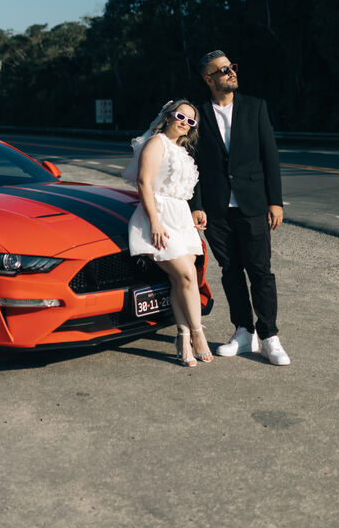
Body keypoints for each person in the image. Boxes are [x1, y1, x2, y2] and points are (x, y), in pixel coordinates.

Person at [190, 51, 291, 366]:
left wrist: (275, 200)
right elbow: (190, 163)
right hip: (217, 209)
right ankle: (244, 332)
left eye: (231, 66)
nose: (230, 72)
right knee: (231, 271)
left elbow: (269, 156)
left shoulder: (255, 107)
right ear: (209, 79)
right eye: (222, 70)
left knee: (260, 271)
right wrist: (196, 205)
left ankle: (270, 336)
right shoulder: (197, 112)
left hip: (253, 204)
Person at [123, 99, 212, 367]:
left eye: (190, 120)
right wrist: (155, 221)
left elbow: (184, 191)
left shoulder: (182, 150)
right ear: (168, 116)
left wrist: (195, 211)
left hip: (180, 217)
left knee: (182, 280)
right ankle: (198, 334)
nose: (185, 122)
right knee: (185, 274)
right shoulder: (157, 143)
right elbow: (143, 182)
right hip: (158, 216)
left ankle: (183, 336)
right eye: (180, 116)